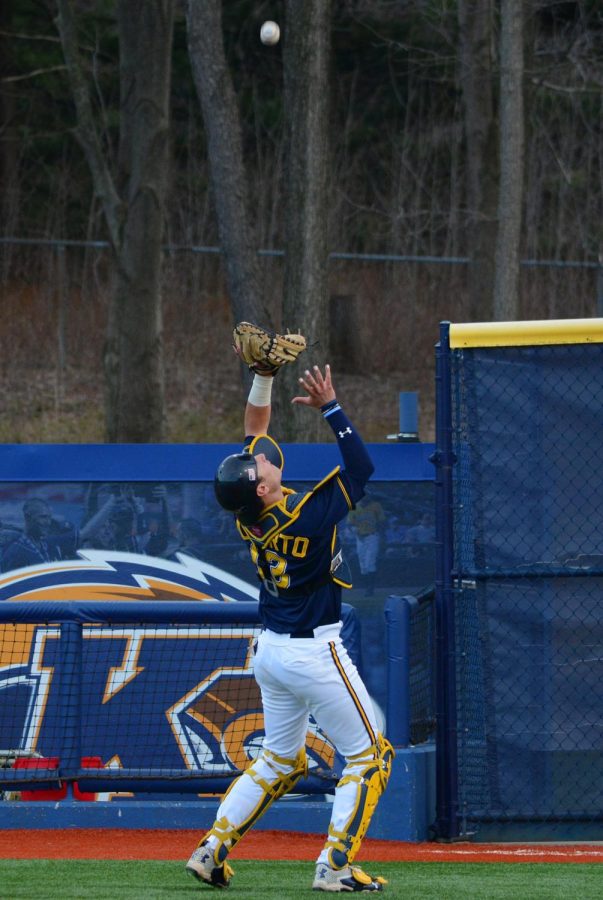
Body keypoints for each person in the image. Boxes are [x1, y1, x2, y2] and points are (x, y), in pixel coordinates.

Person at [185, 363, 393, 893]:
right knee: (371, 757)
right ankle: (335, 865)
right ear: (262, 490)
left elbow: (256, 427)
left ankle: (212, 848)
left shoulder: (247, 511)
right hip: (312, 653)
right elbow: (362, 468)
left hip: (272, 653)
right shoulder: (304, 514)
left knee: (280, 758)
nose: (260, 460)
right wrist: (331, 406)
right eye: (256, 468)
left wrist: (262, 375)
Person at [1, 498, 78, 571]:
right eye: (43, 517)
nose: (48, 523)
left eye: (49, 518)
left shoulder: (47, 544)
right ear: (27, 517)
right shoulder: (16, 553)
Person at [347, 495, 386, 596]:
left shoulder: (376, 506)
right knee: (363, 565)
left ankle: (370, 589)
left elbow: (382, 522)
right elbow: (349, 524)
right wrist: (355, 531)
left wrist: (382, 537)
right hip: (360, 538)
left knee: (370, 562)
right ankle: (367, 587)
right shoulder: (354, 507)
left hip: (372, 536)